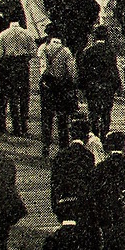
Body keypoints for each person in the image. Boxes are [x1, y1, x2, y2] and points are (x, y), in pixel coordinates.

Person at [37, 24, 79, 159]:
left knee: (47, 117)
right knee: (62, 118)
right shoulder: (65, 51)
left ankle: (45, 145)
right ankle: (63, 146)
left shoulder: (43, 48)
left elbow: (42, 68)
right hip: (61, 87)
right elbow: (71, 71)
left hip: (48, 86)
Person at [0, 13, 37, 136]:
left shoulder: (3, 34)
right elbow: (34, 51)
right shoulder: (27, 33)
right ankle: (23, 126)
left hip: (8, 67)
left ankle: (10, 126)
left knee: (10, 97)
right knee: (23, 96)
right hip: (22, 66)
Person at [78, 23, 122, 138]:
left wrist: (82, 87)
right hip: (107, 87)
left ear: (94, 36)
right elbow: (114, 69)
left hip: (92, 86)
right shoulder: (110, 51)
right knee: (106, 113)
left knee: (93, 112)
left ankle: (94, 135)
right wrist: (118, 85)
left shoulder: (88, 51)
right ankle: (104, 135)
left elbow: (83, 71)